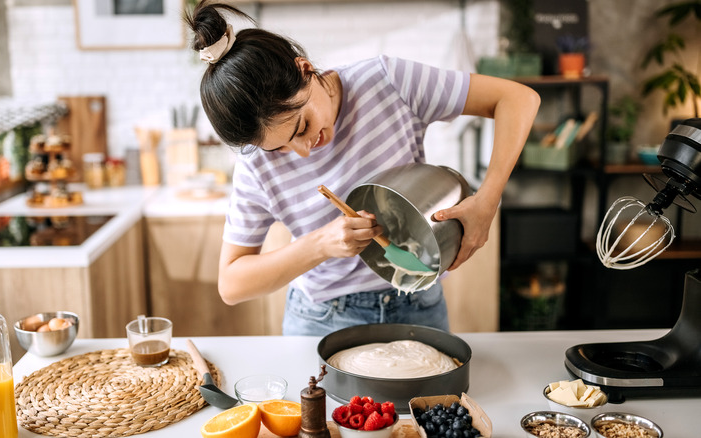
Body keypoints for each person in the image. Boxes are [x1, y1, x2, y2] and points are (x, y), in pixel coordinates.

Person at [184, 1, 540, 336]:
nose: (304, 151)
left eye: (303, 126)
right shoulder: (255, 165)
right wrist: (321, 244)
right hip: (321, 321)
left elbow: (518, 99)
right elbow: (231, 285)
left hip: (417, 305)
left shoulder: (388, 82)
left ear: (304, 69)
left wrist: (488, 199)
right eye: (281, 148)